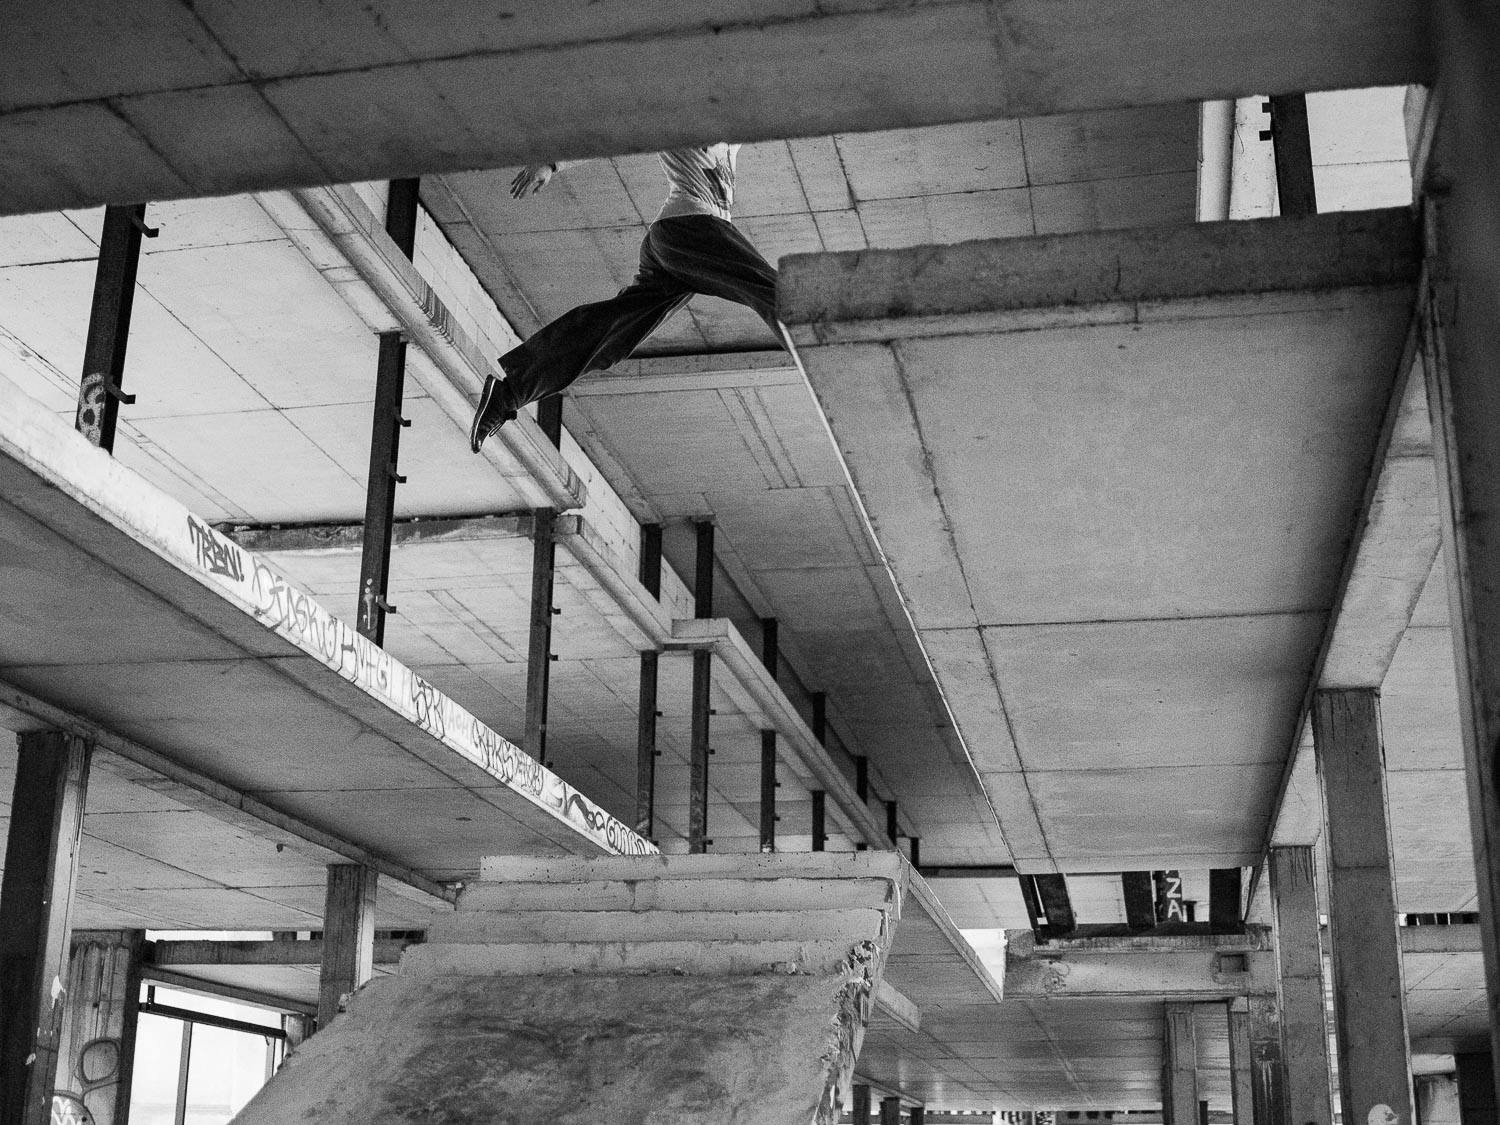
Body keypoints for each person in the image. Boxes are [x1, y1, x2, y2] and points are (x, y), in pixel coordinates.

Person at [469, 143, 785, 451]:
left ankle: (509, 393)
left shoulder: (735, 131)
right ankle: (814, 342)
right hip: (689, 228)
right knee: (771, 290)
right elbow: (614, 136)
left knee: (612, 334)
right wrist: (552, 163)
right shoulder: (682, 114)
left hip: (675, 249)